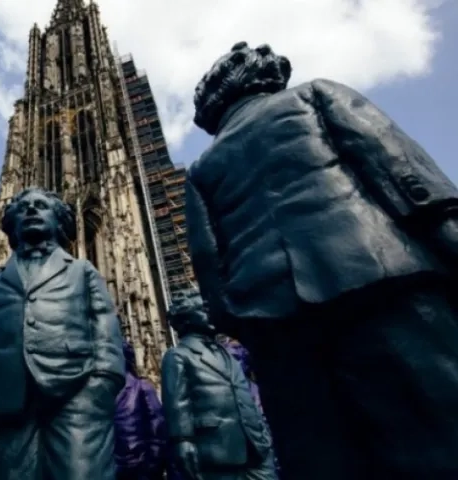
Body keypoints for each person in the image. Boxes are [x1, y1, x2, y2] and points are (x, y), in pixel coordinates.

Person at [185, 41, 458, 479]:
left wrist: (247, 327)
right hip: (376, 283)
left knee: (322, 458)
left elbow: (209, 268)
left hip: (275, 326)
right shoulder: (315, 95)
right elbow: (401, 171)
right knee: (437, 434)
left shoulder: (201, 168)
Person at [0, 187, 125, 479]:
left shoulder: (82, 270)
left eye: (41, 206)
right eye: (24, 207)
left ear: (59, 220)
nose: (32, 211)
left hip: (76, 391)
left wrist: (103, 383)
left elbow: (104, 325)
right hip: (7, 396)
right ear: (12, 224)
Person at [161, 290, 276, 480]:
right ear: (187, 317)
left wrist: (262, 433)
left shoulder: (226, 353)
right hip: (217, 451)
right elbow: (177, 404)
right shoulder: (178, 356)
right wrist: (183, 440)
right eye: (204, 310)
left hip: (256, 447)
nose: (212, 314)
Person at [115, 339, 167, 480]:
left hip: (139, 469)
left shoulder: (141, 388)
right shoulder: (100, 391)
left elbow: (159, 432)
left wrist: (150, 470)